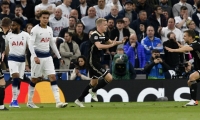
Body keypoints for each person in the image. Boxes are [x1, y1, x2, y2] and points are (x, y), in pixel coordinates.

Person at [74, 18, 126, 107]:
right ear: (99, 26)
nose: (106, 26)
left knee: (93, 83)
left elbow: (110, 42)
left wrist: (121, 42)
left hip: (97, 60)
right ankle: (93, 91)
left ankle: (79, 100)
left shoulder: (103, 34)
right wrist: (111, 45)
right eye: (105, 25)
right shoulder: (94, 35)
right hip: (92, 61)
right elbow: (99, 45)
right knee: (109, 78)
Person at [27, 10, 68, 108]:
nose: (45, 19)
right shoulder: (35, 30)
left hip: (47, 57)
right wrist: (34, 56)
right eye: (43, 18)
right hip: (37, 57)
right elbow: (30, 44)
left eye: (47, 18)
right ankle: (29, 102)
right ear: (39, 18)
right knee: (34, 79)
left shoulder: (49, 29)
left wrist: (59, 57)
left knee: (53, 77)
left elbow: (52, 44)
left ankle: (58, 102)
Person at [165, 30, 200, 106]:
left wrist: (173, 50)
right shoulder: (193, 44)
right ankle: (194, 101)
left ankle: (193, 101)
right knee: (190, 82)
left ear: (190, 37)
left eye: (185, 36)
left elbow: (186, 49)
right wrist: (176, 42)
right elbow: (184, 48)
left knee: (192, 77)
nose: (183, 38)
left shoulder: (196, 44)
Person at [4, 18, 29, 108]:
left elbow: (29, 47)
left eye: (14, 25)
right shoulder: (8, 36)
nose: (12, 27)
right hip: (12, 59)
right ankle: (14, 101)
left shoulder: (25, 35)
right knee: (16, 76)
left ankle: (13, 100)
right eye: (11, 25)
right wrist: (6, 58)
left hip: (21, 60)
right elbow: (5, 47)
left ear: (18, 26)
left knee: (18, 80)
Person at [0, 17, 11, 111]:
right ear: (9, 26)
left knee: (2, 82)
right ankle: (1, 106)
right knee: (2, 82)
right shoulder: (1, 35)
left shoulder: (3, 35)